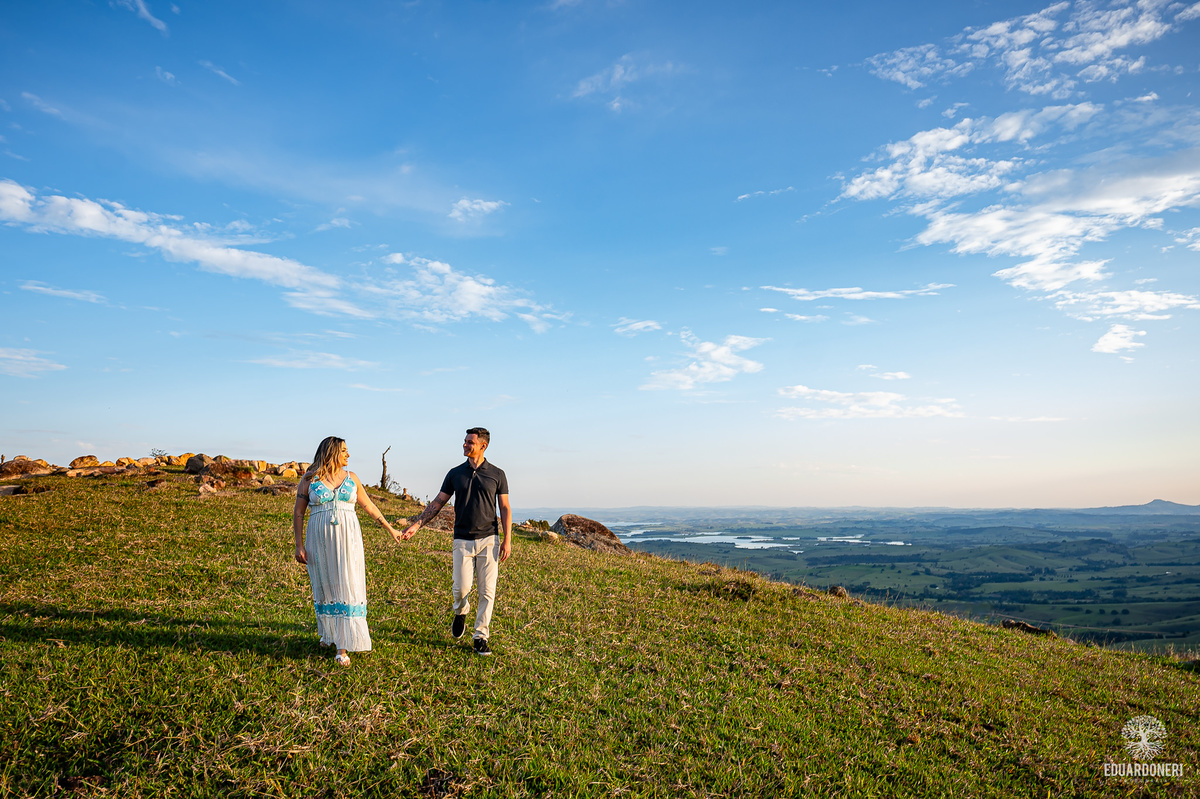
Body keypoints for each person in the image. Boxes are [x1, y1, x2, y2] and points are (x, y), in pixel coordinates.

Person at [293, 436, 402, 667]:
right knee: (325, 585)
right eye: (344, 451)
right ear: (331, 452)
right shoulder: (309, 479)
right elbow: (299, 513)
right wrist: (299, 544)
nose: (348, 455)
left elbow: (369, 506)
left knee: (347, 584)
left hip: (348, 539)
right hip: (319, 538)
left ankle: (342, 646)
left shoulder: (352, 479)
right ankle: (329, 634)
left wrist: (391, 529)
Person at [401, 427, 511, 656]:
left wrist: (507, 539)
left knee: (487, 591)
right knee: (460, 589)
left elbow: (505, 507)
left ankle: (481, 636)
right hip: (462, 539)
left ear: (483, 446)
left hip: (489, 539)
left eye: (470, 442)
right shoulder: (455, 473)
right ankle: (460, 612)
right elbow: (437, 503)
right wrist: (417, 524)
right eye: (465, 441)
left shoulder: (497, 474)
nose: (465, 445)